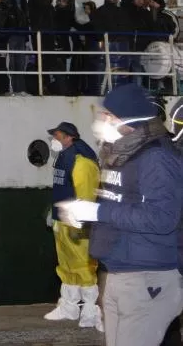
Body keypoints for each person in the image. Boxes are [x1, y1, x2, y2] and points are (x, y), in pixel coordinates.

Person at [56, 84, 183, 346]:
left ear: (125, 119)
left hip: (147, 278)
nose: (100, 121)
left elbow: (162, 218)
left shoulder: (156, 157)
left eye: (106, 116)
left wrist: (98, 211)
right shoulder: (121, 155)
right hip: (119, 271)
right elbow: (121, 204)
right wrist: (89, 214)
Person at [43, 121, 102, 331]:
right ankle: (69, 307)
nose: (54, 141)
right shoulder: (63, 157)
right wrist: (55, 212)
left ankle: (90, 310)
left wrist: (82, 221)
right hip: (63, 219)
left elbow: (86, 194)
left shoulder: (82, 161)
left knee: (84, 264)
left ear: (69, 137)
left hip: (77, 222)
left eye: (57, 136)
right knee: (66, 265)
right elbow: (61, 187)